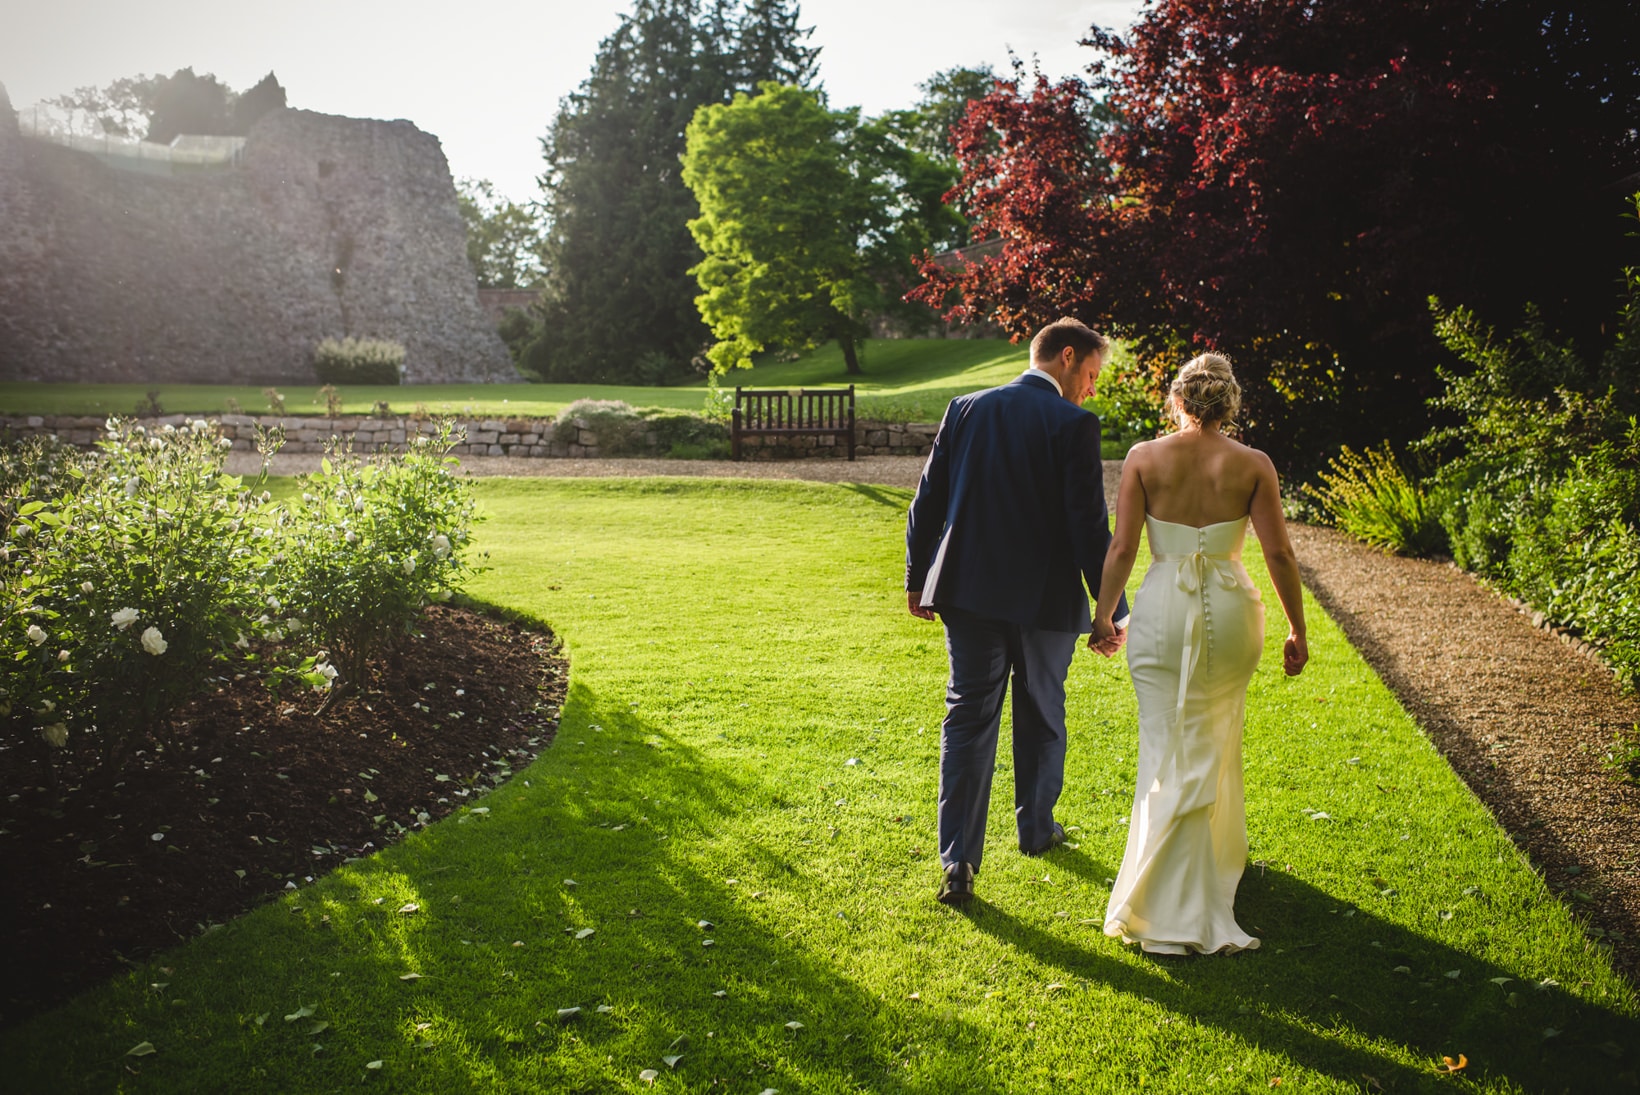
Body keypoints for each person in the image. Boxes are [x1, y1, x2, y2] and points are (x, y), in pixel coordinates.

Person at [906, 317, 1129, 907]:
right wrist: (1110, 612)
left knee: (968, 720)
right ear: (1065, 355)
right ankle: (1036, 831)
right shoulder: (1074, 424)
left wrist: (916, 579)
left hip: (968, 593)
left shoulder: (966, 409)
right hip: (1044, 600)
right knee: (1042, 714)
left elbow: (925, 501)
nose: (1091, 388)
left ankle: (957, 861)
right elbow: (1088, 526)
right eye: (1090, 374)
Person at [1092, 352, 1308, 954]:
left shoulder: (1143, 458)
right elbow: (1280, 556)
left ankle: (1172, 883)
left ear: (1178, 401)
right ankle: (1201, 874)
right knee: (1212, 737)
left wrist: (1105, 613)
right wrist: (1298, 629)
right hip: (1233, 610)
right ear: (1230, 403)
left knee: (1166, 738)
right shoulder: (1253, 464)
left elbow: (1122, 549)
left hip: (1161, 610)